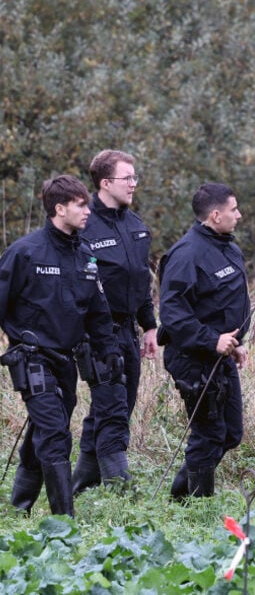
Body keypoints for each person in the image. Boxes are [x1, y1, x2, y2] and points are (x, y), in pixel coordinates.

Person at [0, 175, 121, 516]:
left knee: (44, 429)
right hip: (32, 358)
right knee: (55, 434)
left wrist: (109, 351)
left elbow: (98, 312)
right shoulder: (25, 252)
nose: (88, 212)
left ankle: (19, 506)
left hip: (66, 361)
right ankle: (64, 523)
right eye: (81, 205)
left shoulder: (85, 256)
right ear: (59, 208)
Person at [71, 150, 159, 494]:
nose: (134, 184)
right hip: (95, 334)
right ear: (106, 183)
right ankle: (120, 490)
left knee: (121, 404)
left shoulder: (136, 226)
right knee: (112, 407)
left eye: (135, 177)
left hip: (128, 330)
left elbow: (141, 281)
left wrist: (149, 325)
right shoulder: (84, 226)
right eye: (128, 178)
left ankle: (81, 484)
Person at [157, 182, 250, 500]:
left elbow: (224, 302)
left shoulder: (228, 247)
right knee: (208, 434)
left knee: (231, 433)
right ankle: (197, 507)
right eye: (233, 209)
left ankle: (180, 495)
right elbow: (172, 313)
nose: (239, 215)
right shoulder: (187, 255)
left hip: (221, 355)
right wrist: (212, 340)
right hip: (192, 357)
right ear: (215, 214)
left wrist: (234, 343)